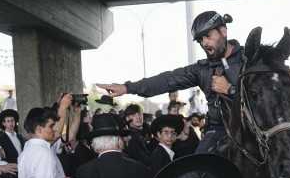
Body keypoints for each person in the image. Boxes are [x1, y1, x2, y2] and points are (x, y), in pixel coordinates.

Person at [98, 11, 239, 154]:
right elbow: (167, 80)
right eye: (200, 40)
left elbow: (261, 100)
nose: (204, 43)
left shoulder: (250, 60)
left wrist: (230, 90)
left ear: (223, 31)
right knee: (198, 171)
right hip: (217, 130)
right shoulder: (202, 69)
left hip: (250, 129)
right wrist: (127, 87)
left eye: (208, 36)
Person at [17, 98, 70, 178]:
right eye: (51, 126)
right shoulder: (43, 153)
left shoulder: (26, 150)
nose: (54, 130)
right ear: (39, 129)